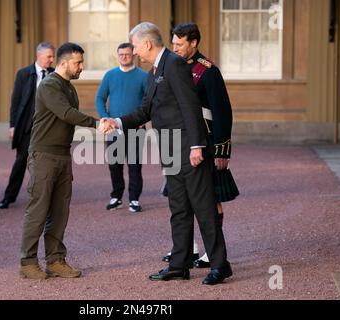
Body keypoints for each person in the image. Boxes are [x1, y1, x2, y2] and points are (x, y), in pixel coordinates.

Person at [100, 22, 232, 285]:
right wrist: (116, 121)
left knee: (203, 208)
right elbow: (145, 111)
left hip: (187, 147)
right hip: (170, 147)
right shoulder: (155, 70)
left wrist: (197, 146)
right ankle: (179, 265)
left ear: (147, 44)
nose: (135, 52)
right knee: (178, 208)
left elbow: (190, 105)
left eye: (136, 46)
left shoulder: (174, 64)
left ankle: (220, 265)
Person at [162, 23, 239, 268]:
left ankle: (210, 252)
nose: (174, 48)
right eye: (172, 43)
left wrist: (222, 149)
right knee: (180, 200)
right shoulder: (171, 66)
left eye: (179, 44)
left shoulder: (208, 71)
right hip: (178, 142)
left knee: (210, 199)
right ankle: (188, 248)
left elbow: (222, 112)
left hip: (203, 143)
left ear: (194, 43)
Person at [19, 43, 98, 280]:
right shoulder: (49, 85)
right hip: (43, 155)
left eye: (82, 62)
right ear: (63, 63)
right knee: (38, 209)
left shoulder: (69, 87)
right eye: (78, 63)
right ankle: (28, 262)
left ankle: (55, 260)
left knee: (60, 211)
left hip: (63, 154)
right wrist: (97, 123)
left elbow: (68, 117)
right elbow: (66, 113)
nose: (81, 67)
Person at [0, 42, 55, 209]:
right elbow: (15, 101)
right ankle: (8, 197)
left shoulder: (54, 74)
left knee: (46, 163)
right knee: (21, 161)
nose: (52, 60)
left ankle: (46, 198)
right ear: (39, 56)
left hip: (47, 127)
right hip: (27, 126)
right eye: (48, 57)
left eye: (53, 56)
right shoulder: (24, 74)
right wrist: (13, 125)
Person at [96, 43, 148, 213]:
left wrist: (144, 118)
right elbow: (100, 98)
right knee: (114, 165)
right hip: (113, 129)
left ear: (133, 54)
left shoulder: (143, 76)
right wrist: (104, 118)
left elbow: (150, 102)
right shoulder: (110, 75)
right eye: (121, 54)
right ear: (117, 55)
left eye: (127, 54)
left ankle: (134, 199)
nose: (124, 57)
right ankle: (116, 197)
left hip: (135, 128)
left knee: (134, 165)